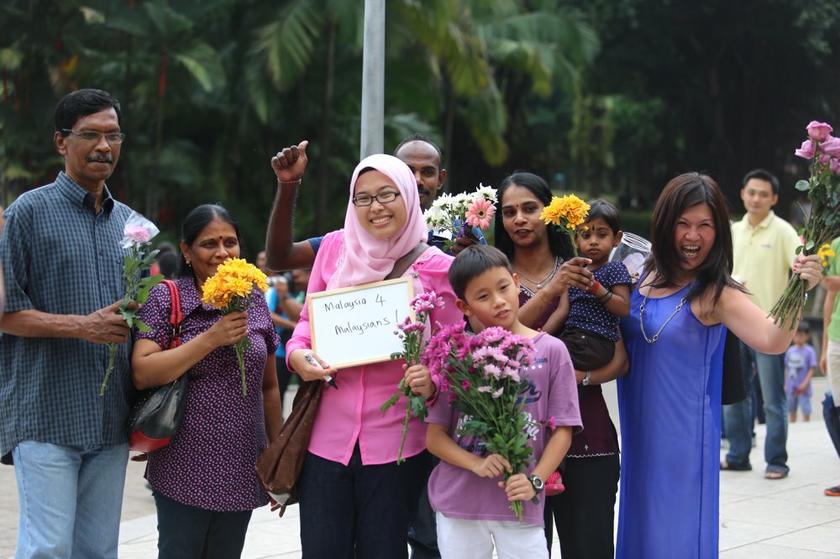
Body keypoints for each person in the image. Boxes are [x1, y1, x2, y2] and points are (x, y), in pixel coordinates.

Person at [615, 172, 822, 559]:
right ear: (665, 224)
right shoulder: (640, 272)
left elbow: (773, 339)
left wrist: (800, 288)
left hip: (684, 443)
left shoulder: (716, 293)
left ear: (719, 232)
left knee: (674, 537)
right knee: (639, 531)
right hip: (638, 438)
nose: (692, 236)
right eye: (683, 224)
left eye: (705, 226)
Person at [285, 153, 462, 557]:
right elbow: (307, 324)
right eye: (363, 198)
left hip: (398, 443)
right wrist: (297, 355)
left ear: (409, 196)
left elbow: (451, 353)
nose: (376, 207)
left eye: (387, 194)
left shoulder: (440, 268)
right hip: (326, 439)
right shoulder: (335, 248)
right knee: (321, 549)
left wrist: (432, 381)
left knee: (383, 549)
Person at [0, 88, 135, 557]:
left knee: (98, 551)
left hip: (111, 420)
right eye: (91, 135)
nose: (104, 146)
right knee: (48, 549)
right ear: (61, 141)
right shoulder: (27, 214)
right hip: (46, 413)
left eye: (113, 136)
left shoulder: (132, 227)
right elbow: (5, 314)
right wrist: (83, 327)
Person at [131, 204, 282, 558]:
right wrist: (210, 339)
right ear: (186, 250)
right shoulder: (167, 297)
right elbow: (142, 371)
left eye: (230, 242)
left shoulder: (253, 299)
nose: (222, 252)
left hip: (242, 464)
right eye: (208, 244)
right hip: (183, 464)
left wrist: (277, 456)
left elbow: (269, 387)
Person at [494, 172, 627, 559]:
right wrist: (552, 290)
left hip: (588, 433)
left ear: (550, 213)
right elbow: (494, 342)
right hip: (516, 444)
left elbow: (620, 359)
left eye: (530, 208)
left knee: (590, 549)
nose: (520, 219)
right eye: (509, 212)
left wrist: (577, 378)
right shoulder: (493, 275)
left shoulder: (585, 270)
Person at [425, 245, 581, 558]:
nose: (498, 301)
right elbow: (434, 438)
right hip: (459, 504)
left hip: (520, 501)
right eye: (483, 296)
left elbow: (563, 430)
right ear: (464, 306)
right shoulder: (458, 358)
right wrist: (476, 463)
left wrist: (535, 481)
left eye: (503, 287)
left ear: (515, 281)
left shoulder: (551, 351)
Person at [265, 135, 476, 274]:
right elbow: (279, 259)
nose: (417, 180)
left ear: (440, 179)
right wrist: (288, 184)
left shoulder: (461, 234)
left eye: (427, 172)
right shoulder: (349, 241)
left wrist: (473, 262)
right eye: (408, 171)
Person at [723, 169, 801, 479]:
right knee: (735, 396)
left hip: (770, 329)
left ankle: (777, 461)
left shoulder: (784, 232)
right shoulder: (732, 231)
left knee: (772, 399)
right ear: (743, 193)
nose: (756, 198)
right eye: (751, 192)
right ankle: (738, 455)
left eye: (763, 194)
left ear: (774, 199)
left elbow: (800, 272)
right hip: (734, 326)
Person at [546, 199, 631, 370]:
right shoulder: (574, 270)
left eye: (602, 235)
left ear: (616, 238)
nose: (593, 241)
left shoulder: (614, 268)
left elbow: (624, 308)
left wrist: (597, 289)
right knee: (545, 352)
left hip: (598, 340)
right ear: (576, 240)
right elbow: (562, 311)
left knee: (551, 360)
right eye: (586, 235)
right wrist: (540, 336)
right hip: (573, 337)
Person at [821, 235, 840, 497]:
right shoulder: (835, 245)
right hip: (836, 336)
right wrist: (825, 344)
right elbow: (830, 295)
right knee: (835, 408)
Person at [785, 322, 817, 422]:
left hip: (804, 388)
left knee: (806, 410)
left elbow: (812, 368)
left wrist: (805, 383)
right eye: (796, 335)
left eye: (801, 335)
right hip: (791, 387)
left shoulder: (810, 351)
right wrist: (786, 384)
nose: (798, 338)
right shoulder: (790, 351)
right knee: (791, 410)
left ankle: (806, 427)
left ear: (807, 336)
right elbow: (787, 368)